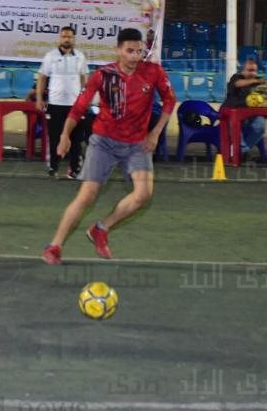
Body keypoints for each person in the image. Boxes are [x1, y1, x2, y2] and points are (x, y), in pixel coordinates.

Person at [42, 28, 175, 265]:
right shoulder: (102, 75)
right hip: (103, 142)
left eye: (139, 51)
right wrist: (65, 135)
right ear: (118, 50)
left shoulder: (153, 71)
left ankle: (101, 229)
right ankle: (55, 246)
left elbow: (170, 100)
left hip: (136, 143)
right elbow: (79, 107)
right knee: (87, 196)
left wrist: (155, 133)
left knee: (143, 194)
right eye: (129, 51)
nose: (135, 56)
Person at [36, 26, 89, 178]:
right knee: (54, 138)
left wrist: (85, 98)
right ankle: (53, 167)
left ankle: (74, 169)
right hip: (55, 104)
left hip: (76, 105)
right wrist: (40, 98)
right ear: (59, 38)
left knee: (76, 139)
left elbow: (85, 78)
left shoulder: (80, 56)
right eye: (64, 36)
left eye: (70, 37)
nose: (67, 39)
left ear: (74, 39)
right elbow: (41, 78)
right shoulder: (50, 56)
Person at [220, 58, 267, 160]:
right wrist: (256, 80)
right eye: (249, 70)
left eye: (254, 70)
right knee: (234, 122)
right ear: (243, 70)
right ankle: (243, 151)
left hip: (251, 115)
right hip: (232, 113)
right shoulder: (236, 77)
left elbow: (265, 96)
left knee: (261, 126)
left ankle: (241, 151)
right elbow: (238, 84)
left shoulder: (259, 81)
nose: (252, 73)